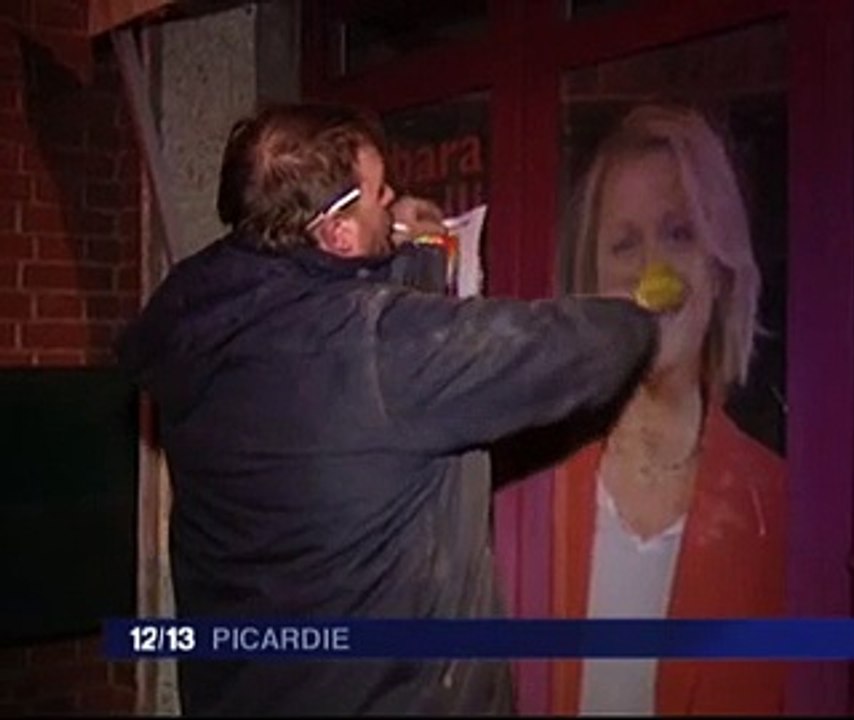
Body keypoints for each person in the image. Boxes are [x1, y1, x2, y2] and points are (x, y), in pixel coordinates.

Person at [116, 103, 658, 716]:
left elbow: (356, 340)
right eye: (380, 193)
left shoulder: (208, 327)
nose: (396, 199)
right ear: (338, 234)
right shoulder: (376, 351)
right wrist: (640, 314)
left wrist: (400, 241)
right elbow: (571, 351)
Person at [550, 103, 788, 716]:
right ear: (592, 280)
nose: (651, 271)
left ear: (720, 268)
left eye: (679, 233)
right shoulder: (532, 488)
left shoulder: (782, 510)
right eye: (624, 244)